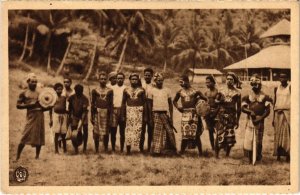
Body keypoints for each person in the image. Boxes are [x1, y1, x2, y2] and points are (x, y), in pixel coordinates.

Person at [16, 73, 50, 160]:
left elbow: (43, 105)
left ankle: (37, 156)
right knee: (24, 135)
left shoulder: (40, 92)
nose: (34, 83)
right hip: (30, 115)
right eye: (32, 82)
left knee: (39, 135)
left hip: (39, 115)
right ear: (28, 82)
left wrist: (49, 107)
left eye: (35, 82)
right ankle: (17, 156)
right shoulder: (23, 93)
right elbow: (18, 105)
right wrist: (29, 105)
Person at [173, 75, 207, 156]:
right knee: (185, 133)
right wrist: (178, 108)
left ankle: (200, 153)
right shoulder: (180, 92)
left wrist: (200, 106)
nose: (180, 84)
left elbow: (205, 99)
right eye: (179, 82)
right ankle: (181, 152)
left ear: (187, 81)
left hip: (194, 113)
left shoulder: (196, 91)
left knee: (196, 134)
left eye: (182, 82)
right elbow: (174, 101)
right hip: (185, 114)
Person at [241, 74, 272, 164]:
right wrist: (250, 112)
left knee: (259, 139)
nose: (254, 85)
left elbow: (268, 110)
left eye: (256, 83)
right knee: (248, 138)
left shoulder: (265, 96)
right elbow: (243, 107)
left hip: (260, 121)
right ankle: (248, 157)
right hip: (250, 120)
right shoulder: (247, 96)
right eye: (252, 83)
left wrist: (260, 118)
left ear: (260, 84)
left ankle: (258, 157)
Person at [215, 72, 241, 158]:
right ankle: (216, 155)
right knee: (219, 134)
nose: (229, 81)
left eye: (231, 79)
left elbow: (239, 107)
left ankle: (227, 154)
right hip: (221, 115)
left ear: (234, 81)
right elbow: (216, 101)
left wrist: (237, 120)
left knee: (229, 135)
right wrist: (220, 101)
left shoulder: (237, 92)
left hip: (231, 116)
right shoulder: (221, 90)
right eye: (228, 79)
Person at [150, 73, 177, 156]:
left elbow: (170, 104)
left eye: (161, 80)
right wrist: (151, 117)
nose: (160, 82)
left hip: (165, 114)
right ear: (155, 81)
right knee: (157, 133)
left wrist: (171, 116)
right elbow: (150, 104)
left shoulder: (167, 90)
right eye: (158, 80)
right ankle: (156, 151)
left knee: (168, 132)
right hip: (156, 113)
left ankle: (167, 151)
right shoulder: (151, 90)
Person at [121, 73, 147, 155]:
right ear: (130, 80)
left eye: (136, 79)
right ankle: (128, 149)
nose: (134, 81)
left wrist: (145, 115)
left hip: (139, 112)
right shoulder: (126, 90)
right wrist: (123, 115)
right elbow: (123, 103)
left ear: (138, 80)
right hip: (129, 112)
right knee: (129, 131)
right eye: (132, 79)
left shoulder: (142, 90)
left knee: (140, 130)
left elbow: (144, 103)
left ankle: (141, 148)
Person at [91, 72, 113, 153]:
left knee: (106, 132)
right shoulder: (95, 90)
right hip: (97, 112)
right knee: (96, 132)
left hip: (106, 113)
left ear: (107, 80)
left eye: (104, 79)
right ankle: (96, 149)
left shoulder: (110, 91)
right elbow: (92, 104)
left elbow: (111, 104)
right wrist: (92, 116)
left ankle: (106, 148)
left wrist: (110, 116)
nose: (103, 80)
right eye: (101, 79)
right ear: (99, 80)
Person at [273, 73, 290, 162]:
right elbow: (275, 103)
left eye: (284, 77)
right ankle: (278, 155)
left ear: (287, 78)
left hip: (287, 113)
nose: (282, 78)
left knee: (286, 134)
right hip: (277, 114)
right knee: (278, 134)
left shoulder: (290, 88)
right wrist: (273, 118)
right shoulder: (276, 88)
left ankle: (288, 154)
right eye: (280, 77)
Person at [68, 84, 89, 154]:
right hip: (75, 116)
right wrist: (70, 117)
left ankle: (84, 148)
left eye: (80, 91)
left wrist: (81, 124)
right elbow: (69, 109)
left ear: (82, 91)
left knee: (85, 130)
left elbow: (84, 112)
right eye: (77, 91)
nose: (78, 93)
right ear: (75, 91)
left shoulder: (85, 99)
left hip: (83, 116)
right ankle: (76, 148)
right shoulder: (71, 98)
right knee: (74, 132)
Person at [49, 82, 68, 154]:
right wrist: (51, 119)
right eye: (57, 89)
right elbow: (50, 109)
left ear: (62, 90)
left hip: (63, 116)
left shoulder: (64, 98)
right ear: (55, 90)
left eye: (60, 89)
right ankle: (56, 150)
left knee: (63, 134)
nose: (59, 91)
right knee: (56, 133)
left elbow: (66, 106)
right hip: (56, 116)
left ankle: (65, 149)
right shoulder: (53, 98)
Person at [110, 72, 126, 152]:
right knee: (113, 131)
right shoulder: (112, 88)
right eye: (118, 78)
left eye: (121, 78)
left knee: (122, 131)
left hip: (123, 111)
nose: (119, 79)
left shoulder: (126, 89)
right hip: (114, 111)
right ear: (116, 79)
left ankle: (122, 148)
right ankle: (113, 148)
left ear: (124, 79)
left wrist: (124, 112)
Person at [140, 68, 155, 152]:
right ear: (144, 75)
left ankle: (149, 147)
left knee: (150, 128)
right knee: (142, 129)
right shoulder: (141, 84)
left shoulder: (154, 85)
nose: (147, 77)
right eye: (145, 75)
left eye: (149, 75)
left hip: (151, 107)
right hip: (142, 107)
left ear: (152, 76)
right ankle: (141, 148)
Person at [204, 75, 219, 150]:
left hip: (217, 113)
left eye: (209, 82)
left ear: (213, 82)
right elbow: (204, 103)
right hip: (208, 114)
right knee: (210, 131)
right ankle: (213, 147)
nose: (207, 84)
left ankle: (218, 145)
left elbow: (220, 104)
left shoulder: (218, 92)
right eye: (206, 83)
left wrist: (215, 112)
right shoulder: (206, 92)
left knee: (219, 130)